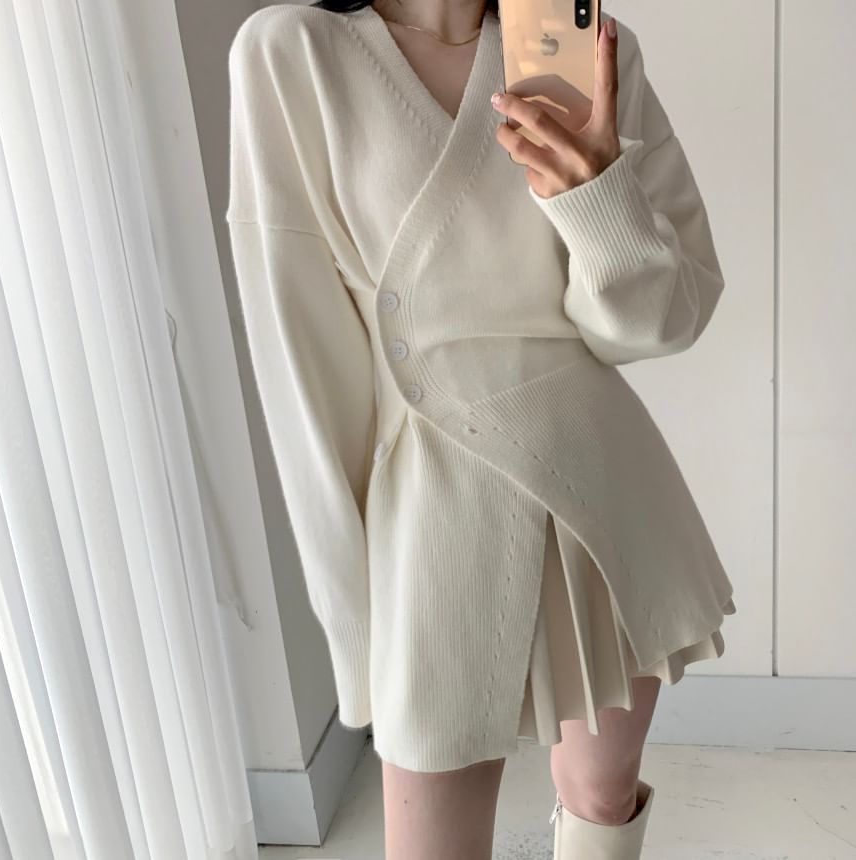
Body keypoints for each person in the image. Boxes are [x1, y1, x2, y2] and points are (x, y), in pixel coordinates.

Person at [225, 1, 737, 857]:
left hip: (603, 491)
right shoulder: (292, 51)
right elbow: (301, 362)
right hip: (433, 507)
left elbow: (664, 322)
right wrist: (356, 623)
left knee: (603, 798)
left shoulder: (588, 49)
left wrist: (596, 199)